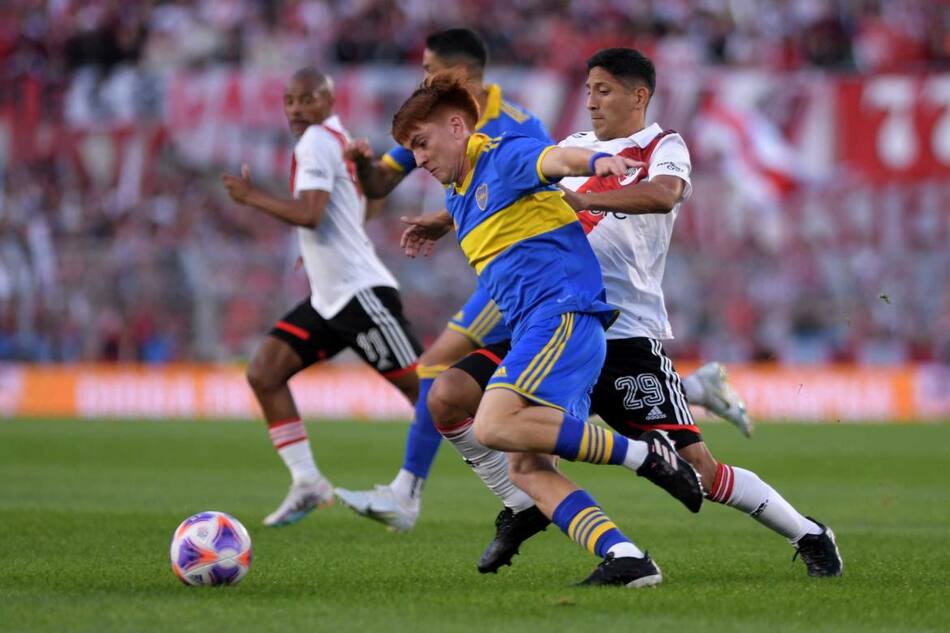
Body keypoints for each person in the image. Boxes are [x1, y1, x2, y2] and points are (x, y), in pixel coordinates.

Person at [404, 49, 843, 581]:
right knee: (452, 397)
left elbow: (663, 195)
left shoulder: (663, 146)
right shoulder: (575, 146)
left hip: (626, 332)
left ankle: (810, 534)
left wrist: (588, 198)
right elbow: (502, 187)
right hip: (550, 318)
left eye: (604, 90)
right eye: (587, 90)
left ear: (639, 95)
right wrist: (440, 219)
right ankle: (535, 514)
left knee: (699, 471)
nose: (590, 101)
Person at [337, 27, 752, 532]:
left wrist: (598, 167)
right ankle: (513, 493)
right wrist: (389, 184)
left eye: (430, 70)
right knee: (477, 388)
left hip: (546, 275)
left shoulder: (511, 124)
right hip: (509, 271)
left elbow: (544, 173)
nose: (423, 80)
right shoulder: (426, 129)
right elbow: (390, 182)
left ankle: (445, 492)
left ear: (457, 76)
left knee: (458, 378)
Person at [387, 70, 708, 587]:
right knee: (517, 460)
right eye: (411, 150)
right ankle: (627, 559)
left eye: (421, 144)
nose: (418, 159)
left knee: (493, 424)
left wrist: (600, 161)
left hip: (562, 315)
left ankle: (645, 454)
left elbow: (555, 160)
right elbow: (484, 199)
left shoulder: (503, 152)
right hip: (533, 325)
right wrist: (439, 223)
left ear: (455, 127)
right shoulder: (458, 192)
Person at [221, 68, 422, 527]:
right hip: (329, 297)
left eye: (305, 100)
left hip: (359, 293)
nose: (295, 109)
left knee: (430, 395)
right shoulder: (336, 138)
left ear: (328, 99)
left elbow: (310, 215)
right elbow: (361, 205)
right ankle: (308, 482)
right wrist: (316, 255)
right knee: (265, 372)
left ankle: (514, 473)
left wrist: (252, 196)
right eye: (289, 101)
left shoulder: (316, 140)